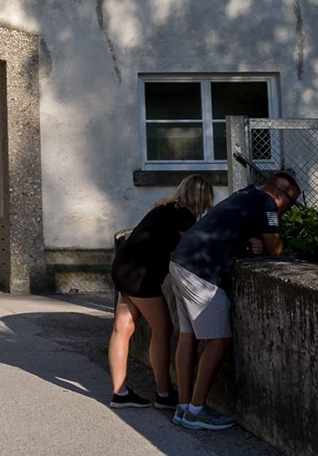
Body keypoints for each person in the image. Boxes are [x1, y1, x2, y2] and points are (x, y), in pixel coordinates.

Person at [167, 170, 303, 431]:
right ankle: (196, 411)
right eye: (291, 202)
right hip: (202, 270)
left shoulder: (245, 195)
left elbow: (235, 234)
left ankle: (183, 408)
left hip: (182, 260)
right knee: (219, 340)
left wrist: (250, 243)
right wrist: (262, 242)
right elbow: (275, 250)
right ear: (278, 194)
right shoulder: (266, 203)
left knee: (188, 336)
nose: (290, 209)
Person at [106, 175, 216, 410]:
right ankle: (164, 394)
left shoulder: (163, 209)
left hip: (123, 267)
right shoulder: (183, 215)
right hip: (141, 276)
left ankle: (120, 392)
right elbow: (194, 248)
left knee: (122, 329)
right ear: (201, 197)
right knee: (163, 329)